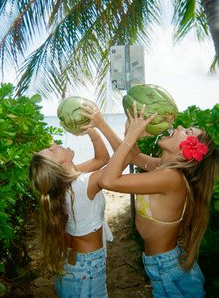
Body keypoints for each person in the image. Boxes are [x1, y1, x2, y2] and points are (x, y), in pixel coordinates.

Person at [81, 102, 216, 298]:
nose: (179, 127)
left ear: (189, 153)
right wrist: (102, 125)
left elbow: (108, 180)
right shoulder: (163, 169)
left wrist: (132, 136)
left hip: (169, 271)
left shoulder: (171, 178)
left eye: (187, 131)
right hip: (165, 266)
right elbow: (133, 155)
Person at [29, 127, 113, 298]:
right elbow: (121, 161)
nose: (54, 144)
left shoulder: (65, 181)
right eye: (52, 151)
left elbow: (102, 159)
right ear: (60, 165)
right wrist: (131, 132)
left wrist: (92, 131)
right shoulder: (83, 183)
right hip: (86, 268)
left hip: (74, 265)